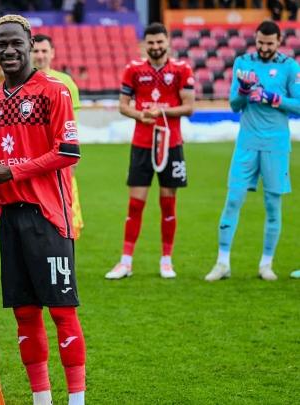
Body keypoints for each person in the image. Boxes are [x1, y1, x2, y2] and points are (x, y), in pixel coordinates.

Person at [0, 14, 86, 405]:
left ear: (30, 45)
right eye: (1, 44)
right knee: (24, 312)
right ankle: (42, 399)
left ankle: (76, 400)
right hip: (10, 215)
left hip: (48, 215)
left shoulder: (54, 91)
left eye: (15, 43)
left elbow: (68, 152)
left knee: (62, 311)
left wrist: (12, 170)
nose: (9, 50)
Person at [205, 21, 300, 282]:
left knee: (272, 204)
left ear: (279, 41)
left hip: (276, 145)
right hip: (246, 143)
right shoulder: (243, 63)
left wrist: (274, 99)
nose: (264, 48)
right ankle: (222, 263)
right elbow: (234, 105)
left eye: (269, 43)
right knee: (233, 200)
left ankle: (266, 264)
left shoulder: (290, 67)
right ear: (255, 39)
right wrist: (244, 91)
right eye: (260, 42)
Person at [105, 22, 195, 280]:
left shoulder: (182, 69)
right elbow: (123, 105)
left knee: (168, 204)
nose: (155, 46)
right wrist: (140, 115)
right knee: (135, 205)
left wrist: (162, 111)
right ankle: (126, 262)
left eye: (159, 42)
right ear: (144, 45)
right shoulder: (133, 69)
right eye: (151, 42)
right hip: (142, 145)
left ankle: (166, 260)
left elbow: (189, 107)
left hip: (171, 144)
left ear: (168, 42)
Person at [31, 33, 84, 239]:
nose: (40, 55)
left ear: (52, 53)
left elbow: (72, 124)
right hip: (32, 155)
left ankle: (63, 250)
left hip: (59, 155)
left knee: (64, 209)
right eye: (36, 51)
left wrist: (74, 154)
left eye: (44, 51)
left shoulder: (66, 82)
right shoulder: (22, 81)